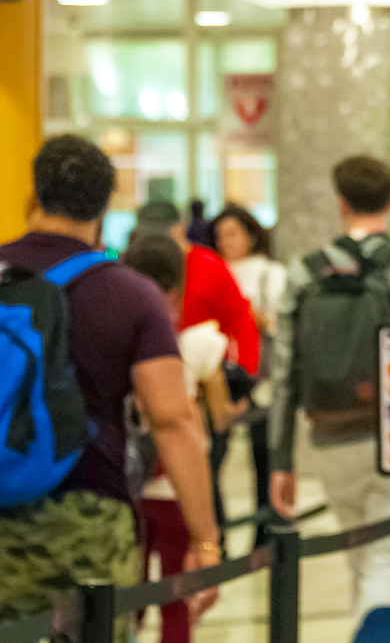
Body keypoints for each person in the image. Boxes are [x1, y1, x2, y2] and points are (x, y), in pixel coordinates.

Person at [0, 135, 221, 637]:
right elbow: (172, 419)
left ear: (33, 195)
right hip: (88, 517)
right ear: (105, 206)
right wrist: (205, 540)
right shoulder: (130, 293)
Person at [269, 155, 390, 629]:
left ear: (341, 204)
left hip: (330, 434)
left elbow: (284, 374)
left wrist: (281, 460)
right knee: (388, 561)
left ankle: (364, 632)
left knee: (359, 555)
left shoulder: (304, 272)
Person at [125, 233, 244, 643]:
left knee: (129, 594)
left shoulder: (114, 336)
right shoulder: (197, 344)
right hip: (177, 489)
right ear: (178, 287)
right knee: (176, 597)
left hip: (128, 488)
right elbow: (217, 416)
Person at [135, 199, 261, 540]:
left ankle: (211, 542)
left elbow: (242, 325)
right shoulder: (133, 266)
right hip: (152, 387)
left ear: (179, 231)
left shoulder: (209, 265)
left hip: (207, 383)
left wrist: (244, 381)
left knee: (204, 472)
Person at [213, 204, 287, 545]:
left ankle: (264, 530)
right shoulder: (215, 271)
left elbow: (279, 324)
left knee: (262, 455)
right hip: (221, 372)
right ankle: (218, 531)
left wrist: (256, 318)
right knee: (215, 454)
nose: (227, 242)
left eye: (233, 234)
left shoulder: (269, 273)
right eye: (221, 236)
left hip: (259, 374)